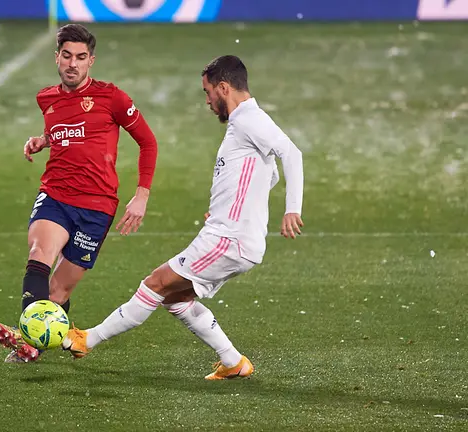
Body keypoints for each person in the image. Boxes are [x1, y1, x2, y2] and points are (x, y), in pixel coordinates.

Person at [61, 55, 305, 380]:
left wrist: (292, 209)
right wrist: (227, 205)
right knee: (176, 297)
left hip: (227, 239)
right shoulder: (245, 125)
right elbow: (268, 176)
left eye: (207, 92)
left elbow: (291, 153)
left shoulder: (249, 119)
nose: (207, 101)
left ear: (223, 87)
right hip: (231, 235)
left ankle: (86, 340)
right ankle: (233, 361)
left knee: (155, 283)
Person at [0, 23, 159, 363]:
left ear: (90, 61)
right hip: (56, 195)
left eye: (80, 58)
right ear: (57, 58)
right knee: (39, 253)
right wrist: (44, 139)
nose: (72, 64)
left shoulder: (113, 98)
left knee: (58, 290)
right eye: (67, 56)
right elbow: (64, 130)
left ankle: (58, 337)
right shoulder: (46, 98)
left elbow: (148, 142)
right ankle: (29, 343)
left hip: (97, 207)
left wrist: (141, 195)